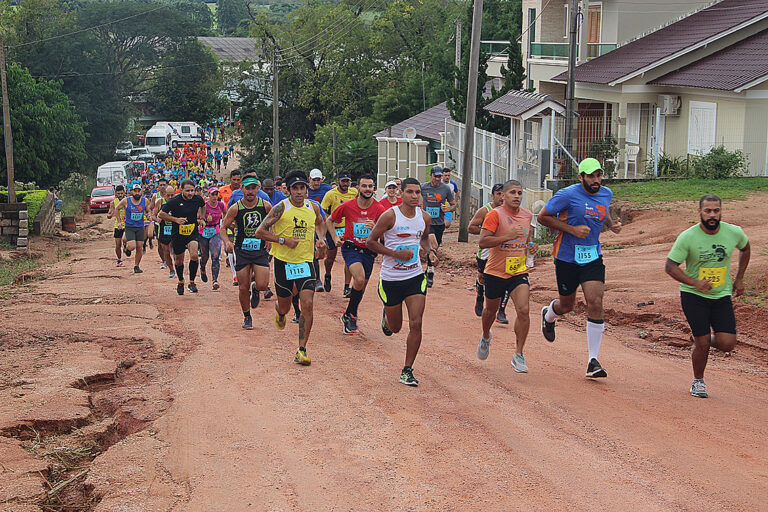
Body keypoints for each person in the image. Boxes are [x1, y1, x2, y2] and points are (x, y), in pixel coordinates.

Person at [537, 158, 622, 378]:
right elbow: (543, 217)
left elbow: (603, 212)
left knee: (595, 301)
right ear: (581, 177)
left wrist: (612, 225)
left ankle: (593, 360)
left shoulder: (606, 193)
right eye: (591, 176)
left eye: (598, 175)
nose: (596, 180)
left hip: (592, 256)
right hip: (566, 257)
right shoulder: (567, 194)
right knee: (567, 305)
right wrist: (571, 230)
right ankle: (549, 315)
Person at [665, 195, 750, 398]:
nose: (712, 215)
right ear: (699, 212)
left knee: (728, 343)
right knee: (702, 344)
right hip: (694, 295)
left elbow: (746, 248)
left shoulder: (733, 232)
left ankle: (701, 338)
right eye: (708, 211)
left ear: (721, 211)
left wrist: (739, 279)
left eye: (716, 211)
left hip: (721, 295)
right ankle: (698, 381)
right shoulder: (688, 237)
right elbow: (670, 266)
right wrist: (695, 283)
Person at [254, 170, 328, 366]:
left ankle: (301, 349)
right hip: (283, 262)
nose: (299, 192)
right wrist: (282, 240)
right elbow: (259, 231)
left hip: (306, 262)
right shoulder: (280, 208)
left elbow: (321, 223)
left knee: (308, 304)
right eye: (295, 188)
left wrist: (321, 240)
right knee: (285, 306)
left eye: (302, 188)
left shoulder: (313, 207)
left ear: (306, 189)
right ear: (288, 190)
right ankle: (280, 311)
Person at [366, 177, 434, 386]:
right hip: (391, 279)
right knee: (394, 328)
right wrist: (395, 253)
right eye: (410, 192)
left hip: (414, 276)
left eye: (417, 192)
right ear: (401, 193)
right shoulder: (390, 216)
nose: (414, 196)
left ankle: (407, 369)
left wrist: (429, 252)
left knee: (416, 322)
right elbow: (371, 242)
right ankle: (387, 315)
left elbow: (424, 238)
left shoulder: (424, 217)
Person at [476, 181, 538, 372]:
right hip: (495, 271)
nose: (517, 196)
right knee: (490, 312)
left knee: (523, 310)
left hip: (518, 271)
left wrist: (532, 247)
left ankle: (518, 354)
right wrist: (507, 237)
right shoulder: (495, 214)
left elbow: (527, 238)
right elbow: (483, 241)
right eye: (513, 192)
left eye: (520, 192)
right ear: (503, 195)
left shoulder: (527, 215)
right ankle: (486, 335)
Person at [327, 175, 386, 334]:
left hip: (369, 251)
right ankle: (352, 316)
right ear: (358, 188)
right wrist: (334, 238)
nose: (368, 189)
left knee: (361, 287)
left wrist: (376, 227)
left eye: (370, 186)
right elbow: (330, 220)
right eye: (364, 186)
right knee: (358, 279)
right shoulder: (348, 205)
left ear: (374, 189)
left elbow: (385, 234)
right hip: (351, 249)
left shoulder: (379, 209)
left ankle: (348, 314)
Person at [221, 177, 272, 329]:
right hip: (241, 249)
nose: (250, 191)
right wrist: (227, 242)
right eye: (247, 188)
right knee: (243, 287)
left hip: (260, 249)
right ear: (242, 189)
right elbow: (223, 228)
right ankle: (247, 316)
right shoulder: (236, 208)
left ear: (258, 189)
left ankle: (256, 289)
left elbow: (274, 222)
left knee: (263, 284)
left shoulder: (266, 206)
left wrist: (270, 237)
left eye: (253, 188)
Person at [158, 179, 206, 295]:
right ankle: (180, 281)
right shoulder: (174, 201)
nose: (190, 193)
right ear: (181, 190)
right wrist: (176, 220)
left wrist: (202, 219)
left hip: (192, 232)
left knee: (194, 255)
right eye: (187, 191)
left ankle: (192, 282)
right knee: (179, 260)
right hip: (178, 234)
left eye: (192, 190)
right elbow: (161, 214)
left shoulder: (197, 199)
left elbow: (203, 206)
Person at [468, 183, 504, 318]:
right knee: (483, 276)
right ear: (492, 196)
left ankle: (501, 310)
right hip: (486, 251)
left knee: (502, 278)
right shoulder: (485, 210)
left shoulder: (510, 211)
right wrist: (487, 232)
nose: (501, 197)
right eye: (498, 194)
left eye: (503, 193)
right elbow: (471, 228)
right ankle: (480, 295)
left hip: (502, 250)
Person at [320, 171, 358, 296]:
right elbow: (323, 211)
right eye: (343, 181)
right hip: (334, 228)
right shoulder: (330, 194)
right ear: (338, 181)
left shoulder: (354, 193)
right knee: (330, 257)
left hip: (349, 229)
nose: (346, 183)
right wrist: (330, 221)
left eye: (347, 181)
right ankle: (328, 274)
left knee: (349, 258)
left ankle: (347, 286)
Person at [420, 165, 455, 286]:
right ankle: (430, 272)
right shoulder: (423, 187)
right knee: (433, 244)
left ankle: (429, 269)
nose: (438, 178)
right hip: (427, 222)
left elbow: (454, 205)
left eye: (440, 176)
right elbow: (416, 199)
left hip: (439, 222)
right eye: (436, 176)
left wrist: (448, 209)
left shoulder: (445, 189)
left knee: (435, 248)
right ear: (431, 176)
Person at [115, 184, 151, 273]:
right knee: (132, 246)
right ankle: (127, 249)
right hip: (130, 227)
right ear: (132, 191)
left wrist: (148, 214)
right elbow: (117, 209)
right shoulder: (126, 201)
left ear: (141, 191)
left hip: (140, 227)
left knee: (139, 247)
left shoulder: (145, 201)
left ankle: (136, 266)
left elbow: (148, 210)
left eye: (139, 191)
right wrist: (119, 221)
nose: (137, 193)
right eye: (135, 191)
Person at [199, 187, 227, 290]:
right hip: (203, 232)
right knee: (205, 256)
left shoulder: (220, 205)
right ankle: (202, 269)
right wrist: (205, 219)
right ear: (208, 195)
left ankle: (215, 280)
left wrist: (224, 222)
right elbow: (196, 218)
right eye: (213, 195)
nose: (215, 197)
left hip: (215, 231)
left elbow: (227, 213)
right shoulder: (204, 206)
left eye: (216, 195)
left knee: (215, 256)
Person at [155, 185, 176, 278]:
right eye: (168, 196)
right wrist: (156, 219)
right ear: (164, 195)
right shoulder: (160, 202)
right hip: (164, 230)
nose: (170, 198)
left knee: (176, 251)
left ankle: (178, 266)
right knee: (166, 251)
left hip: (175, 230)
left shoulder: (178, 203)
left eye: (172, 195)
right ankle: (171, 269)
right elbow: (152, 214)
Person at [107, 185, 126, 266]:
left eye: (121, 193)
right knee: (118, 245)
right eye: (118, 194)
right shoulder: (113, 203)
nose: (120, 195)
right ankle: (119, 259)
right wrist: (110, 215)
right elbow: (109, 213)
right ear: (116, 194)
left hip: (127, 225)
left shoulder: (128, 200)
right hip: (117, 225)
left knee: (126, 240)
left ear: (124, 193)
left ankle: (126, 247)